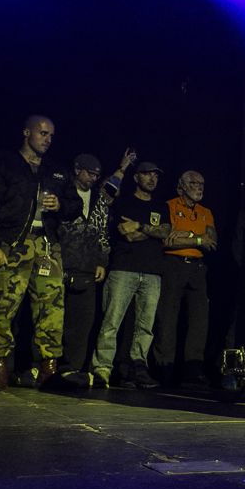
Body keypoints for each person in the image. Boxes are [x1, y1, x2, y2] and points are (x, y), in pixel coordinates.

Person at [0, 115, 79, 391]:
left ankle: (48, 370)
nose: (47, 139)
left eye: (51, 135)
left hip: (46, 246)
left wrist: (60, 206)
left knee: (52, 310)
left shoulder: (56, 170)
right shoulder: (5, 163)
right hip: (13, 244)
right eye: (43, 133)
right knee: (2, 307)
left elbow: (75, 205)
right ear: (26, 133)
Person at [90, 161, 173, 389]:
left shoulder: (160, 205)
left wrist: (139, 225)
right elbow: (126, 235)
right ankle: (102, 368)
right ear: (136, 177)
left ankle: (139, 368)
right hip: (123, 268)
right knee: (112, 320)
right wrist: (150, 232)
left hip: (152, 272)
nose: (152, 179)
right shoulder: (124, 201)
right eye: (147, 174)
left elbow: (166, 232)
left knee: (145, 326)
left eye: (155, 175)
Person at [55, 151, 125, 386]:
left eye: (97, 175)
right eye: (90, 174)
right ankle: (41, 366)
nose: (93, 178)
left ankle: (71, 368)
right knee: (52, 319)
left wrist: (102, 261)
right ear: (77, 170)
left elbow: (103, 232)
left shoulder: (99, 198)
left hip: (86, 265)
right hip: (59, 261)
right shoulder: (63, 192)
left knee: (81, 321)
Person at [154, 169, 216, 386]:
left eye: (202, 183)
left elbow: (212, 241)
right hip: (173, 265)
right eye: (194, 183)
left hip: (198, 269)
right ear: (181, 186)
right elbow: (167, 240)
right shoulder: (170, 206)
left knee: (199, 321)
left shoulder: (206, 212)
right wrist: (198, 239)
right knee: (167, 318)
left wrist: (187, 236)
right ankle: (164, 369)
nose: (199, 187)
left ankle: (193, 370)